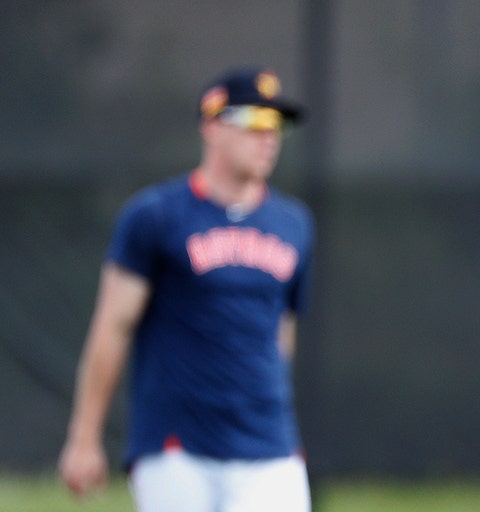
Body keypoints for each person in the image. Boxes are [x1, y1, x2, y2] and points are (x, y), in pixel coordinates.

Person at [58, 67, 316, 511]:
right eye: (255, 122)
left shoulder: (294, 225)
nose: (268, 137)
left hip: (268, 445)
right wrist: (84, 439)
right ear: (212, 126)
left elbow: (282, 333)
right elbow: (113, 327)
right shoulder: (156, 217)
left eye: (277, 125)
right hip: (178, 446)